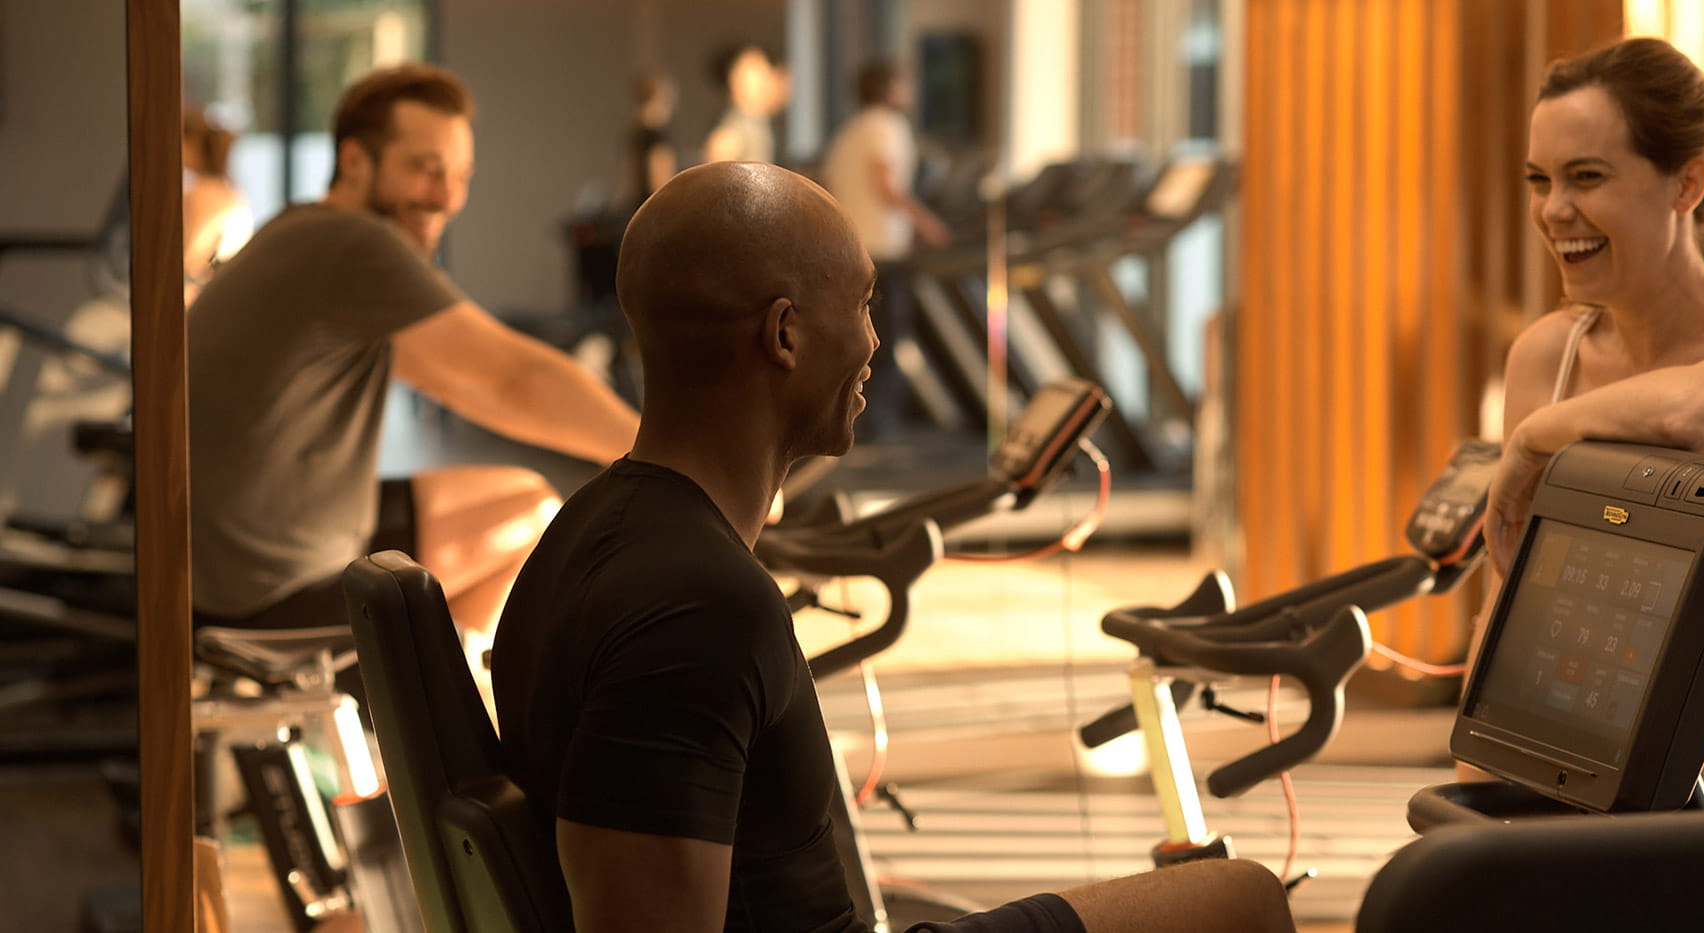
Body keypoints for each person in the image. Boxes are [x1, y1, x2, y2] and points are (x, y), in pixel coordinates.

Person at [491, 162, 1293, 932]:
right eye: (864, 304)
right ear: (785, 334)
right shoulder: (698, 610)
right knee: (1239, 901)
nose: (874, 342)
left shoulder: (590, 527)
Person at [1482, 37, 1704, 810]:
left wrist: (1537, 438)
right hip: (1570, 808)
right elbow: (1502, 626)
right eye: (1541, 180)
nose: (1553, 210)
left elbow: (1698, 417)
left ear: (1689, 183)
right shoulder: (1548, 355)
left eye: (1587, 177)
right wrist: (1473, 821)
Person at [188, 63, 641, 651]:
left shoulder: (302, 230)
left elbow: (455, 375)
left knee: (528, 497)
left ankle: (460, 683)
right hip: (270, 587)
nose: (449, 196)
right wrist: (673, 458)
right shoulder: (355, 244)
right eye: (428, 170)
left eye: (460, 175)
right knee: (532, 521)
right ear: (354, 161)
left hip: (237, 559)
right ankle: (447, 716)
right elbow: (509, 380)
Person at [820, 60, 950, 439]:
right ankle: (877, 426)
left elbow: (831, 182)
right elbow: (884, 183)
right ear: (891, 87)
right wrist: (927, 224)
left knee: (863, 339)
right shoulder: (884, 126)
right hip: (881, 252)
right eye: (905, 83)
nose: (910, 90)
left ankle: (861, 422)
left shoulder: (852, 129)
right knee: (883, 339)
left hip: (856, 247)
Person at [182, 104, 253, 305]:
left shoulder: (202, 196)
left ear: (191, 145)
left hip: (202, 298)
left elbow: (192, 257)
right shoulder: (229, 192)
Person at [702, 44, 784, 164]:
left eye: (765, 69)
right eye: (754, 71)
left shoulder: (759, 121)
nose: (763, 78)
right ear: (734, 79)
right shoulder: (730, 133)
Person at [619, 72, 678, 208]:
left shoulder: (634, 132)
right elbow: (660, 183)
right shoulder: (656, 136)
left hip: (636, 207)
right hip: (654, 209)